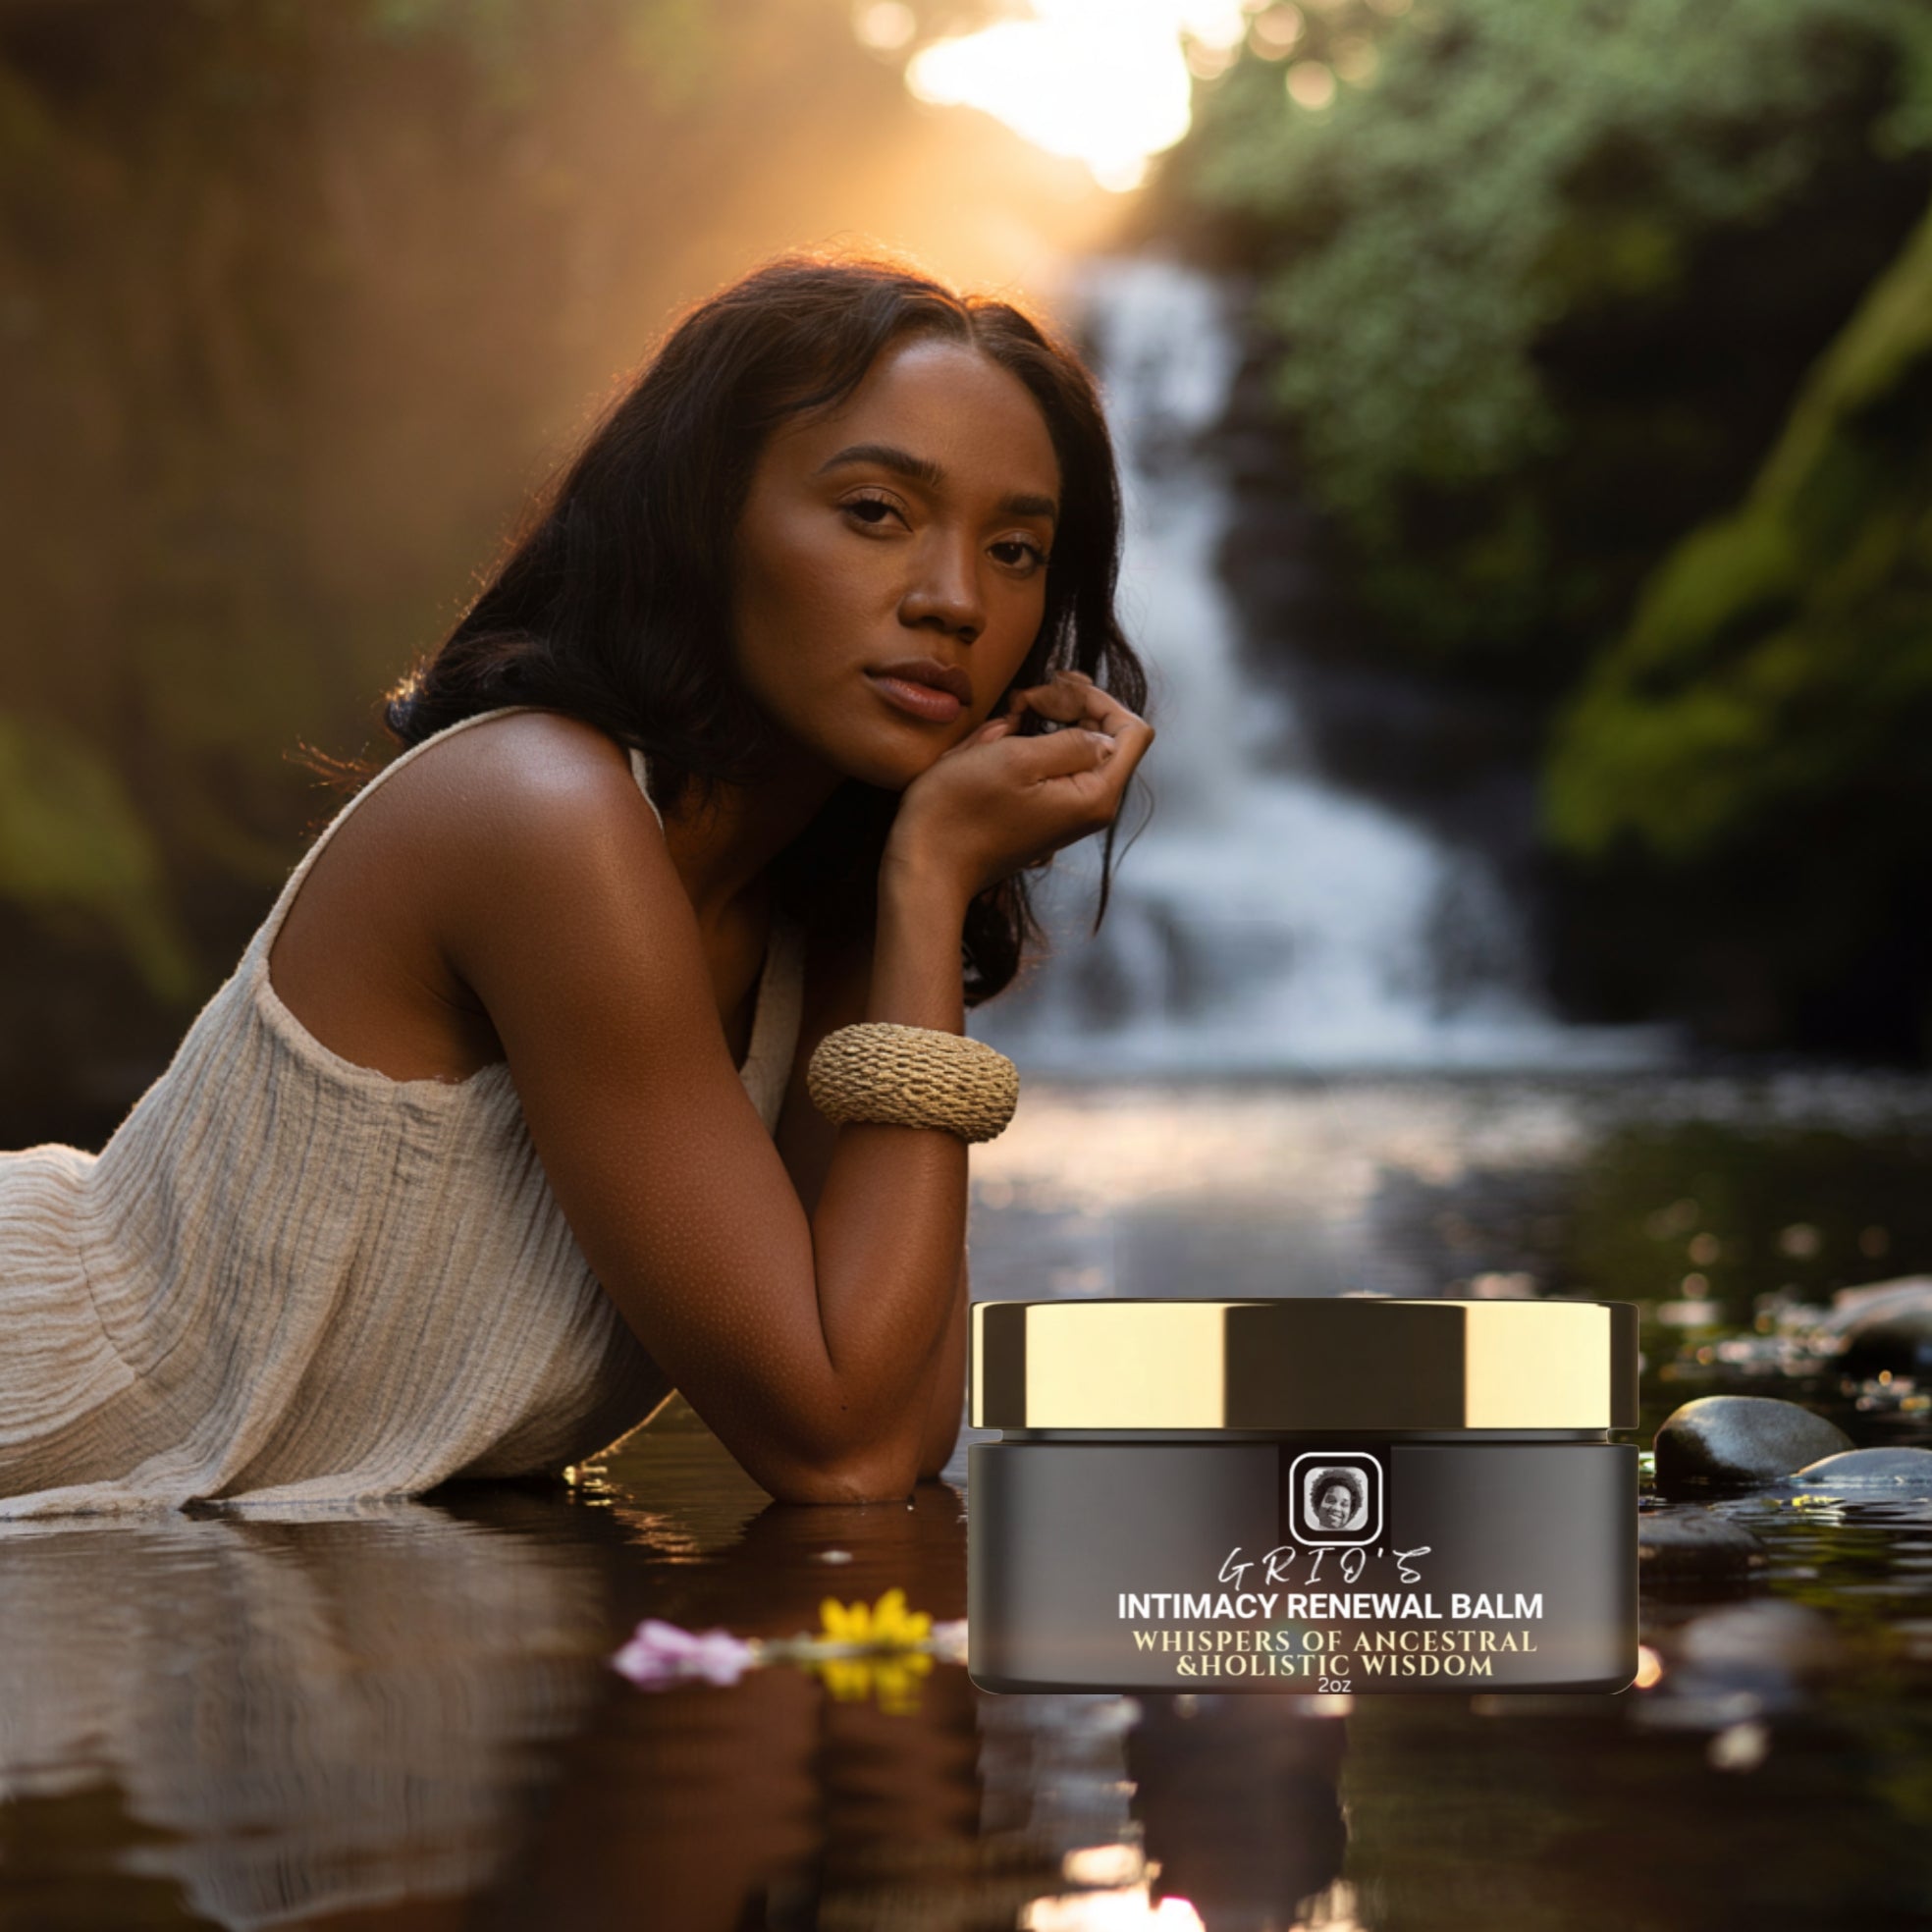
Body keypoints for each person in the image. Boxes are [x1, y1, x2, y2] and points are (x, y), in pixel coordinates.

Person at [0, 246, 1154, 1518]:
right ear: (705, 519)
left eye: (1015, 549)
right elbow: (840, 1443)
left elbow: (897, 1421)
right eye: (876, 512)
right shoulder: (543, 812)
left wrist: (908, 896)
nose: (952, 601)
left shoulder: (811, 910)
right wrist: (934, 874)